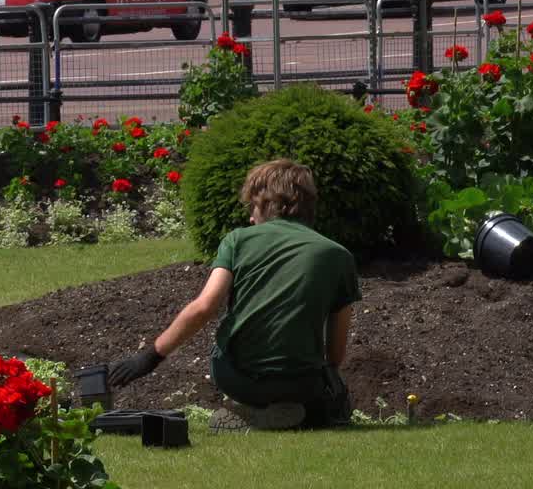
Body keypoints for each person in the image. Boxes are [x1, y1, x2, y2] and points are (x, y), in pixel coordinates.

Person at [99, 159, 358, 430]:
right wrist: (326, 380)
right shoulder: (339, 255)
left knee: (222, 343)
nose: (250, 217)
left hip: (240, 380)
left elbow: (204, 308)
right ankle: (296, 410)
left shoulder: (238, 240)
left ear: (269, 204)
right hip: (303, 384)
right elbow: (335, 352)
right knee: (309, 383)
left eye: (253, 207)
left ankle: (252, 412)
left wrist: (149, 357)